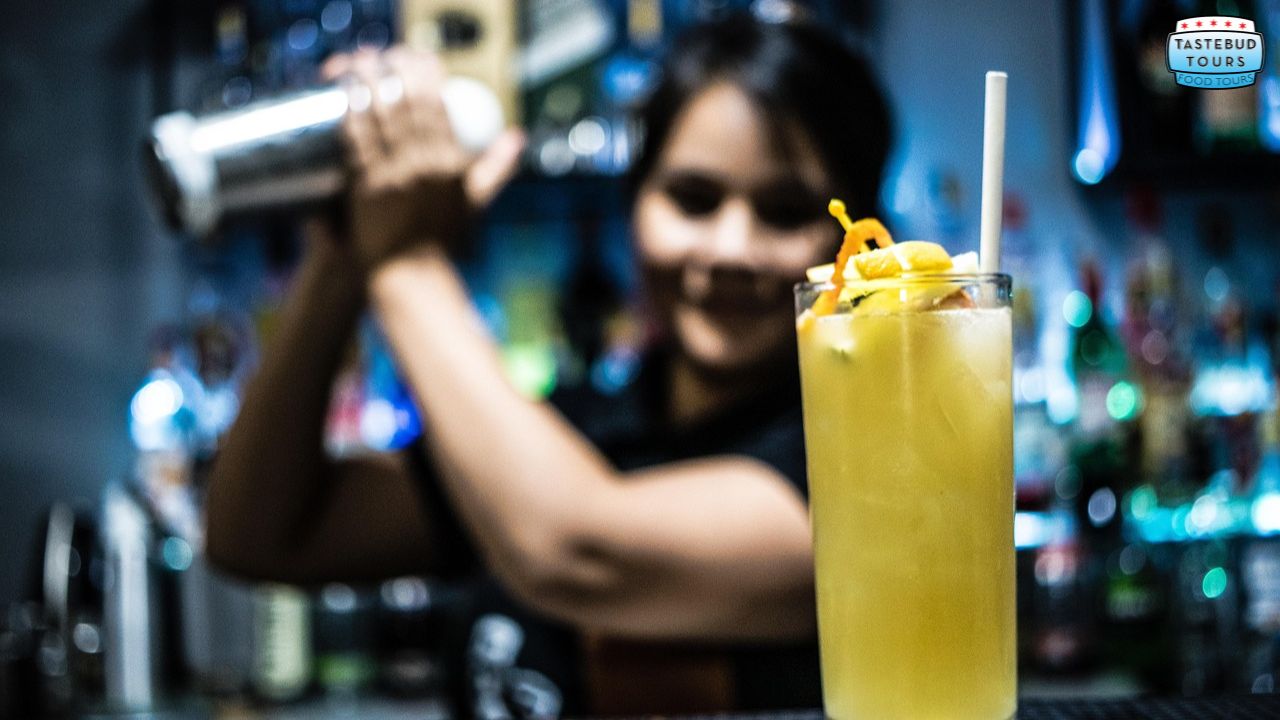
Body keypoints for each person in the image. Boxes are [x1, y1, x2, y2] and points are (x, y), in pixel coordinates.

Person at [205, 11, 891, 715]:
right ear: (635, 204)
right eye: (693, 199)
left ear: (855, 236)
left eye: (785, 211)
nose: (730, 250)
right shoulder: (577, 425)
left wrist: (404, 259)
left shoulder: (857, 477)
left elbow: (576, 550)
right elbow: (261, 535)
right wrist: (340, 257)